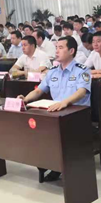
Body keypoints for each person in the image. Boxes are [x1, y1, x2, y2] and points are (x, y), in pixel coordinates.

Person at [18, 36, 92, 182]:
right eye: (56, 47)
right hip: (56, 113)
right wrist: (25, 99)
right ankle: (47, 162)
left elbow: (82, 91)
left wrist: (65, 102)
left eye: (61, 48)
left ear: (71, 51)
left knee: (53, 132)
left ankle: (57, 165)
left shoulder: (82, 70)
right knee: (35, 128)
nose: (56, 51)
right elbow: (39, 91)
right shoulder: (52, 71)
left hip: (77, 115)